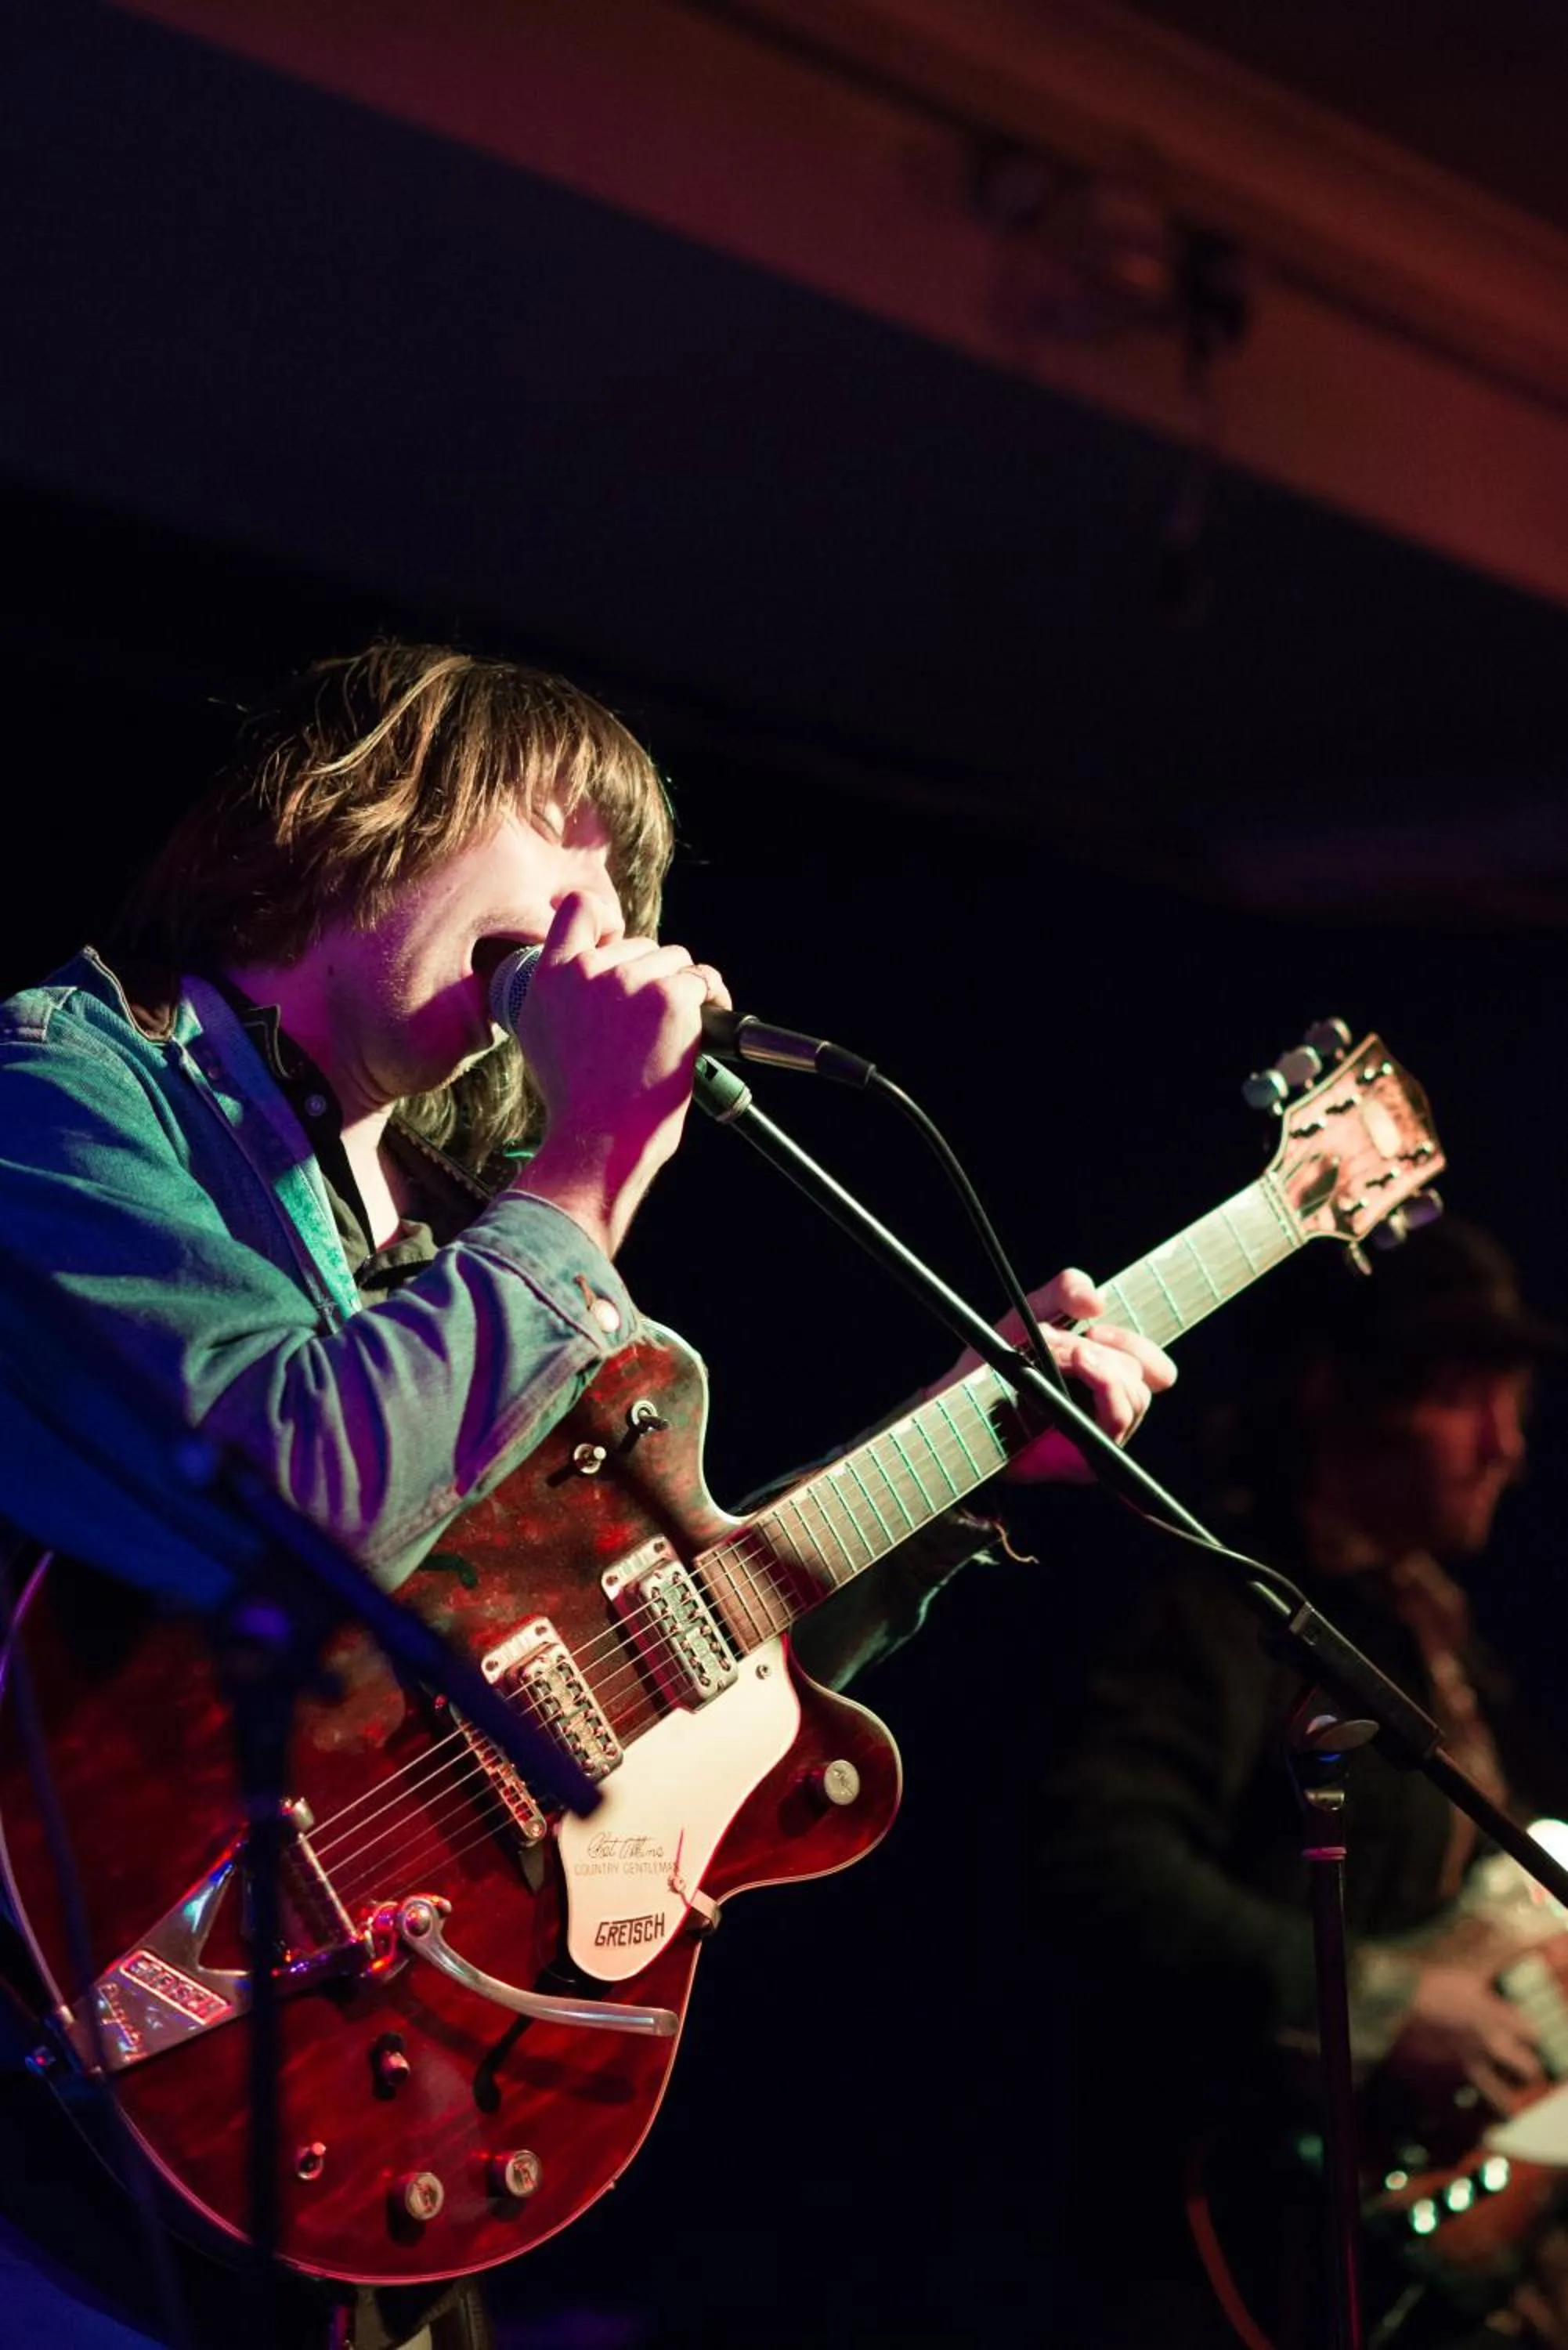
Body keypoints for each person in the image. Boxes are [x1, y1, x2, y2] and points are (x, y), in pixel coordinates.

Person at [0, 644, 1173, 2350]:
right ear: (369, 810)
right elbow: (298, 1499)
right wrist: (578, 1183)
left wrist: (969, 1448)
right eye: (569, 850)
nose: (602, 921)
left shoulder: (428, 1226)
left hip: (337, 2168)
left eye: (625, 886)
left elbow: (629, 1658)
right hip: (67, 2152)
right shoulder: (62, 1092)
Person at [1040, 1216, 1567, 2350]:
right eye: (1466, 1398)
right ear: (1343, 1398)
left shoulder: (1435, 1633)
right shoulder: (1217, 1614)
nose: (1505, 1446)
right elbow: (1097, 1864)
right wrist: (1382, 2007)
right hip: (1249, 2247)